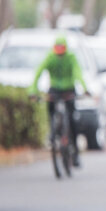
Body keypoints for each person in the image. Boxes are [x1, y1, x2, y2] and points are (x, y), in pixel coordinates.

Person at [29, 36, 88, 167]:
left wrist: (85, 88)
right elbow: (38, 72)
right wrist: (33, 90)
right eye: (58, 49)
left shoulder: (71, 58)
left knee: (73, 121)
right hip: (55, 89)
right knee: (51, 109)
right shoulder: (50, 57)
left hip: (69, 90)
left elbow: (78, 73)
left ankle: (76, 153)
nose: (60, 53)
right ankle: (53, 131)